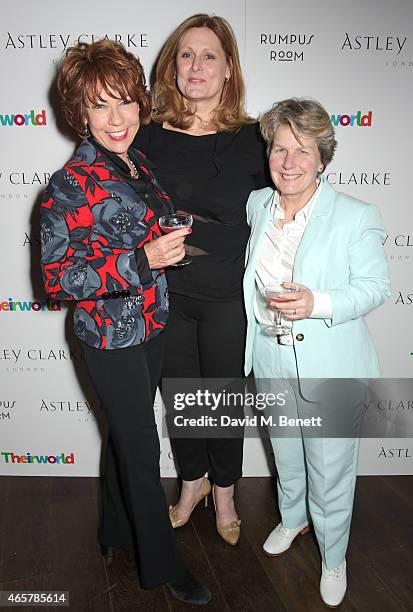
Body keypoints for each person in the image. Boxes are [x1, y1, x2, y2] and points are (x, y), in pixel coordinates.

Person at [39, 39, 211, 605]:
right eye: (100, 106)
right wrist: (140, 261)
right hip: (107, 338)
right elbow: (58, 279)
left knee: (124, 436)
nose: (118, 119)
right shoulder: (65, 189)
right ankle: (162, 569)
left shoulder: (138, 162)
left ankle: (112, 530)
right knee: (140, 445)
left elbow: (140, 227)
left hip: (150, 324)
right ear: (79, 114)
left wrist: (169, 239)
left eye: (126, 103)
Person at [243, 98, 390, 607]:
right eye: (279, 149)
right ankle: (292, 518)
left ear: (322, 158)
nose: (288, 162)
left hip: (329, 366)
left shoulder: (355, 215)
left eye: (301, 151)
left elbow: (375, 287)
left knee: (330, 470)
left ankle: (333, 556)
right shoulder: (257, 204)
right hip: (269, 355)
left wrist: (316, 302)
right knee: (286, 456)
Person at [134, 13, 269, 545]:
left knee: (223, 400)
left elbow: (294, 193)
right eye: (186, 55)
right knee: (182, 399)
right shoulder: (144, 137)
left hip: (227, 298)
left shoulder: (255, 138)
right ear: (172, 67)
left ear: (228, 68)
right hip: (166, 295)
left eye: (209, 55)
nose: (197, 65)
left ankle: (228, 490)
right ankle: (192, 484)